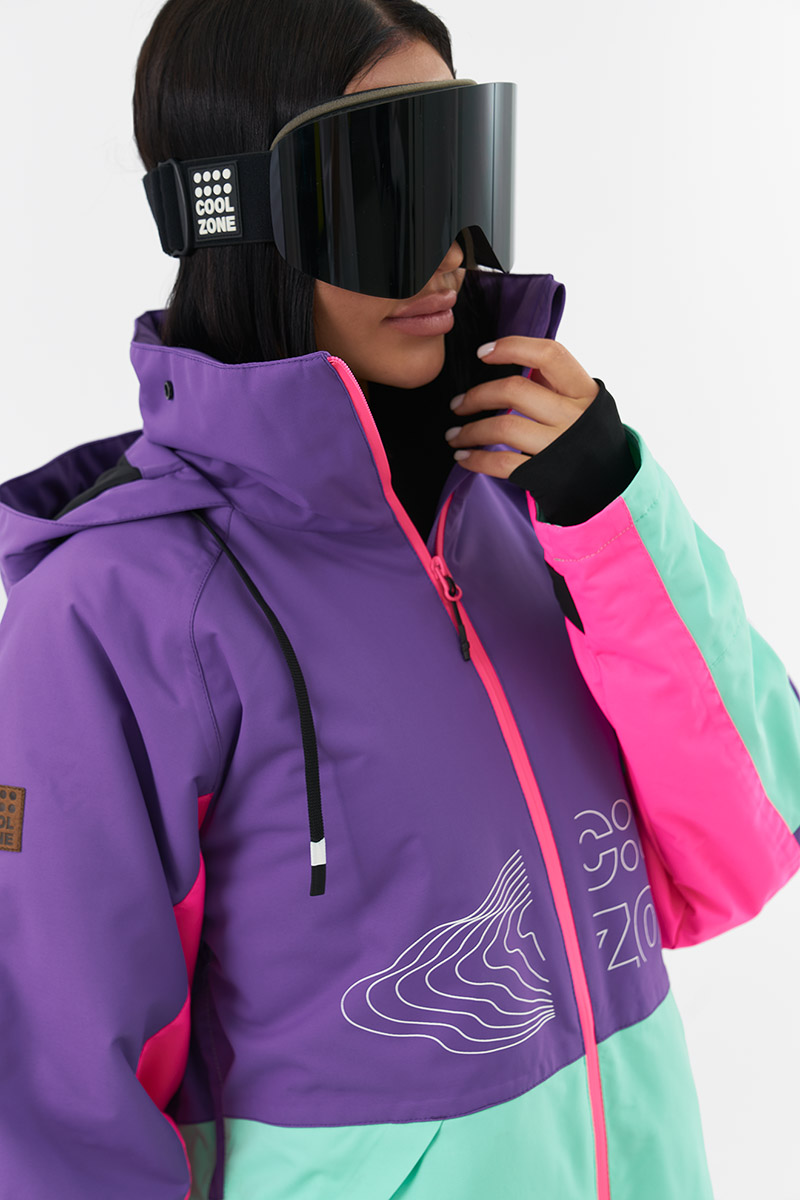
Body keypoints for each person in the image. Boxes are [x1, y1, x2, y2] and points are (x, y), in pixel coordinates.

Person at [0, 1, 798, 1197]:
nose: (445, 252)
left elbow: (746, 844)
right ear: (232, 212)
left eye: (454, 167)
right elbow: (53, 1110)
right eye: (379, 182)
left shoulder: (528, 511)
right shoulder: (117, 612)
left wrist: (610, 507)